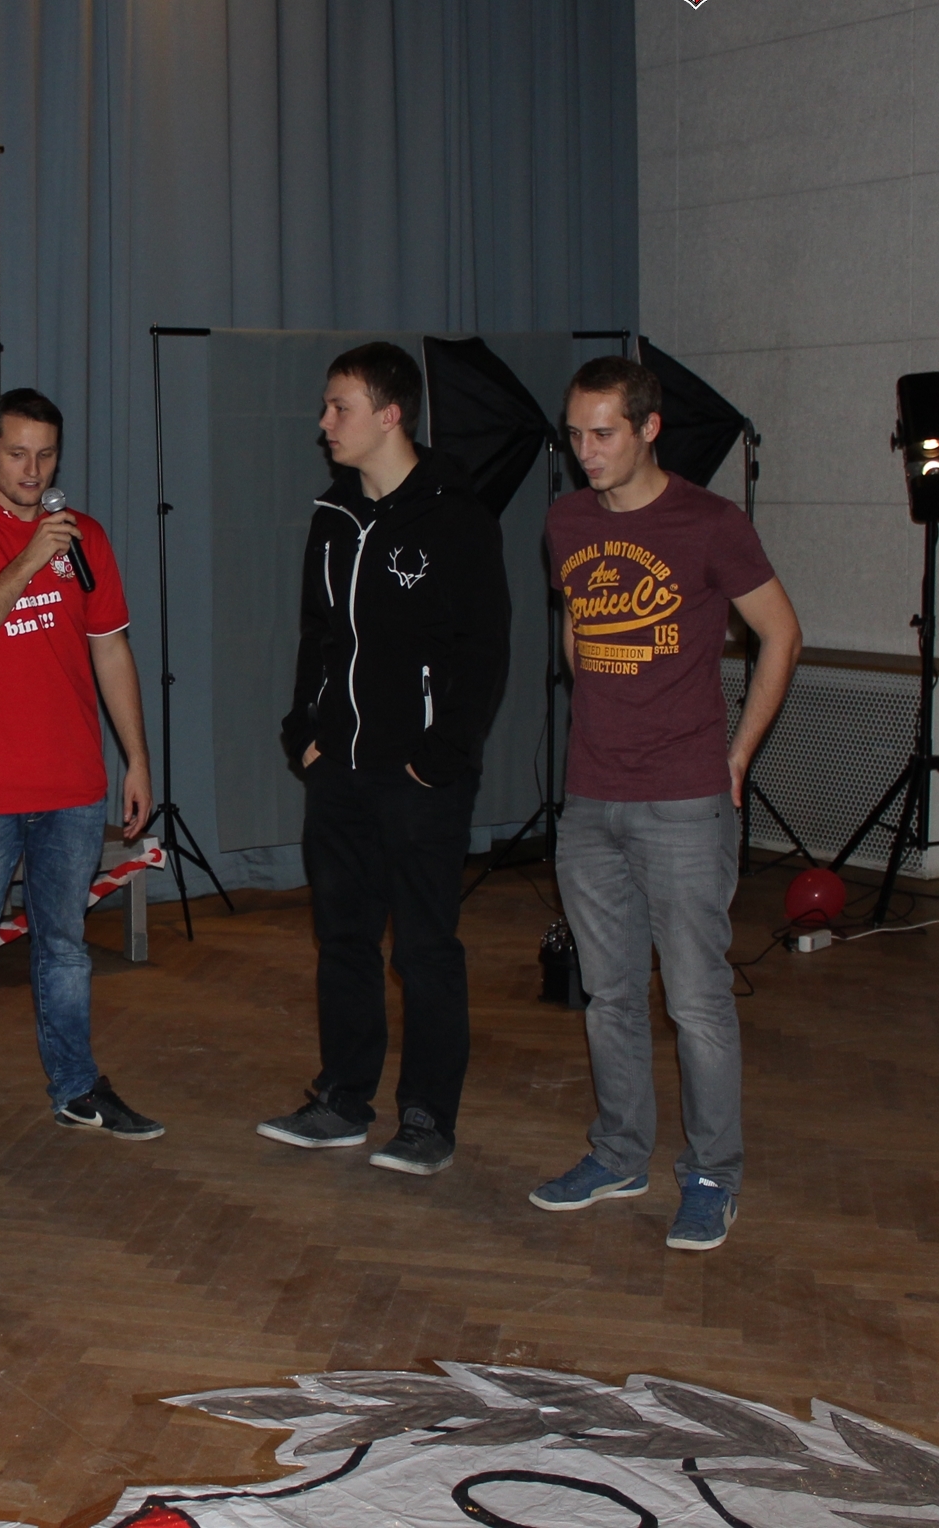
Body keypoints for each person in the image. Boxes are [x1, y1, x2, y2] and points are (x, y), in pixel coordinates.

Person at [527, 355, 802, 1251]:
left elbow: (781, 634)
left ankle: (714, 1174)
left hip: (684, 800)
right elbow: (578, 633)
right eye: (575, 434)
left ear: (649, 429)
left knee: (695, 1000)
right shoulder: (567, 521)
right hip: (591, 799)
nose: (586, 451)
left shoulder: (710, 523)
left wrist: (738, 755)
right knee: (609, 994)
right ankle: (618, 1155)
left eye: (603, 433)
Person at [262, 341, 511, 1175]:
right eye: (327, 407)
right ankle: (341, 1100)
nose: (324, 422)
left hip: (420, 779)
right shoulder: (334, 517)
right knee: (343, 939)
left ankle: (428, 1118)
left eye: (340, 407)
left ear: (390, 414)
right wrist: (303, 731)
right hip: (339, 771)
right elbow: (319, 636)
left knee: (425, 950)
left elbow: (485, 649)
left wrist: (441, 756)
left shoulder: (456, 517)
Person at [0, 386, 160, 1169]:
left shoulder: (84, 538)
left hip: (72, 784)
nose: (32, 470)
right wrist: (26, 560)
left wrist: (137, 757)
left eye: (46, 455)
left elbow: (110, 648)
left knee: (66, 949)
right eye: (17, 454)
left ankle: (77, 1087)